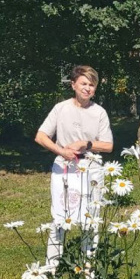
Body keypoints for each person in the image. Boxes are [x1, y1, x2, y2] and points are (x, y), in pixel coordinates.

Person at [35, 66, 113, 263]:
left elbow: (108, 145)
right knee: (60, 216)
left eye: (92, 85)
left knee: (91, 218)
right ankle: (53, 266)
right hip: (64, 168)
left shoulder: (99, 112)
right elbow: (41, 136)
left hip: (91, 167)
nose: (87, 88)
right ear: (73, 85)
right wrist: (61, 151)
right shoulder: (61, 108)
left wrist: (86, 144)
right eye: (84, 83)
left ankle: (88, 266)